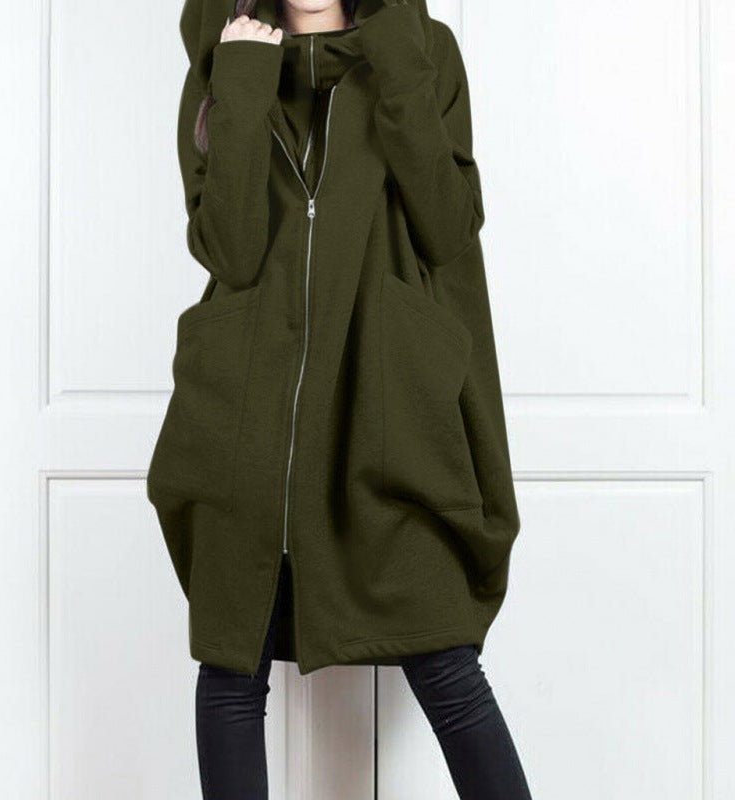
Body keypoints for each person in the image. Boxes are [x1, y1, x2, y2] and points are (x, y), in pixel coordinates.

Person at [146, 0, 532, 797]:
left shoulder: (422, 49)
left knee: (448, 665)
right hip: (245, 424)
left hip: (385, 422)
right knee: (230, 671)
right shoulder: (227, 59)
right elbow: (231, 251)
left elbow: (447, 225)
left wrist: (395, 59)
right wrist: (242, 80)